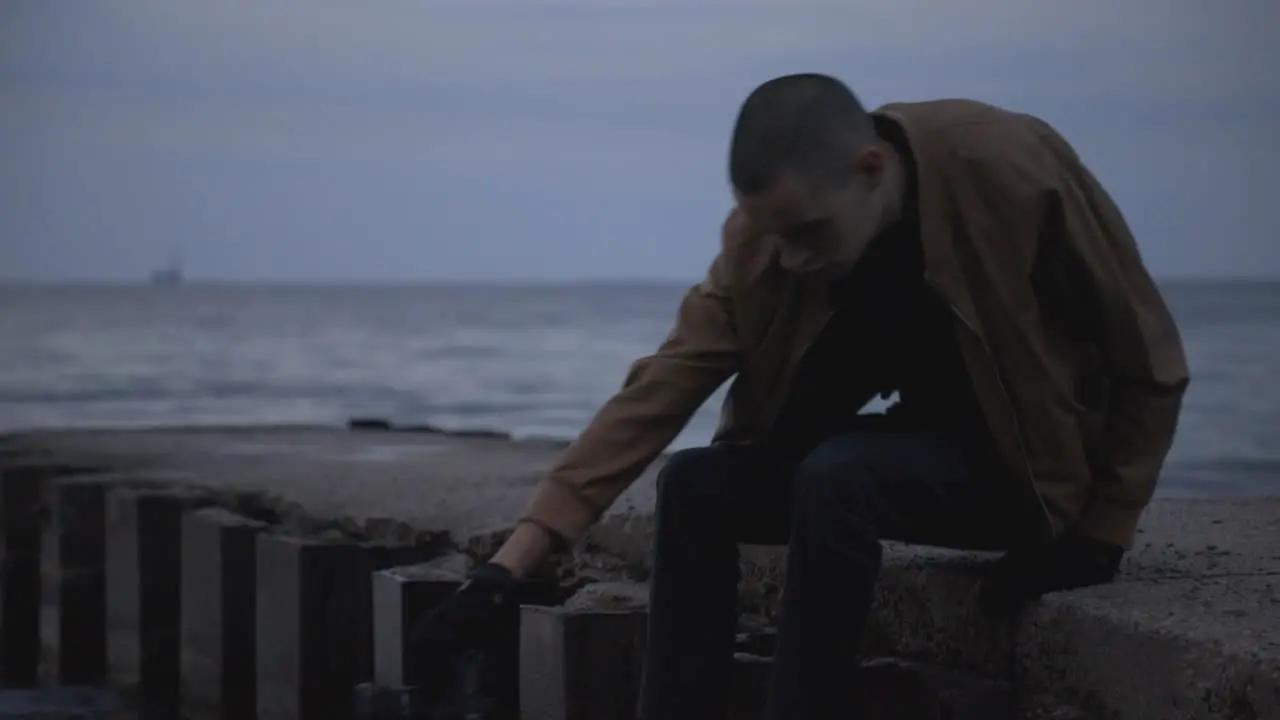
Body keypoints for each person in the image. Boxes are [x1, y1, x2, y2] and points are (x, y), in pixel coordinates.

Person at [411, 74, 1189, 718]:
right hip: (899, 454)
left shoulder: (1010, 169)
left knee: (839, 474)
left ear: (871, 170)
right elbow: (659, 391)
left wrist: (1101, 532)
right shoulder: (768, 241)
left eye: (808, 233)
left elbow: (1147, 355)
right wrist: (507, 569)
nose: (790, 258)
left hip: (1021, 471)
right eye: (771, 235)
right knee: (694, 485)